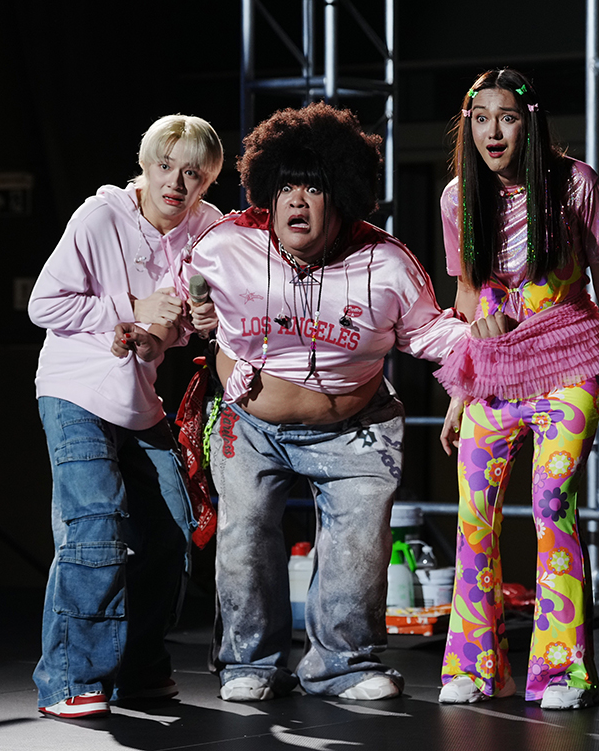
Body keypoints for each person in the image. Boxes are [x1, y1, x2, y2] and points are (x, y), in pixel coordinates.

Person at [177, 102, 495, 703]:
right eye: (285, 187)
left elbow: (428, 332)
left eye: (314, 188)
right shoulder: (225, 245)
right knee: (245, 540)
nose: (297, 201)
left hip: (357, 429)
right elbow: (177, 299)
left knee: (357, 549)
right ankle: (250, 663)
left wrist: (483, 341)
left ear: (342, 197)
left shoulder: (387, 262)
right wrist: (185, 316)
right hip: (251, 425)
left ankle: (342, 665)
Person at [434, 69, 599, 711]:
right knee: (474, 515)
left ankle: (563, 672)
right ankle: (476, 669)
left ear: (529, 124)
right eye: (481, 119)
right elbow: (467, 295)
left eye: (506, 117)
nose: (493, 131)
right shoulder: (458, 198)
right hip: (494, 369)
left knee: (552, 502)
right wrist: (459, 392)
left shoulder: (574, 183)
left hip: (568, 359)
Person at [28, 115, 224, 718]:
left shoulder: (208, 228)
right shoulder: (100, 217)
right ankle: (70, 679)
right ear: (145, 165)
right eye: (166, 166)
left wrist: (187, 326)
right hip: (74, 387)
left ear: (207, 181)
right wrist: (128, 307)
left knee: (171, 530)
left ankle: (136, 670)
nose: (176, 184)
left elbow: (181, 322)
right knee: (96, 524)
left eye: (193, 173)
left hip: (137, 395)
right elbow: (45, 304)